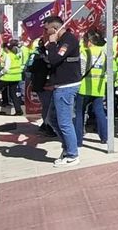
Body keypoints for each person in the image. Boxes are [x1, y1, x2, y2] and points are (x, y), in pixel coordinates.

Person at [41, 16, 83, 167]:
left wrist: (52, 44)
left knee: (64, 122)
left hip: (67, 86)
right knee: (52, 118)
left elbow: (54, 59)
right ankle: (67, 148)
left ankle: (72, 154)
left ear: (55, 29)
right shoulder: (60, 41)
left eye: (46, 29)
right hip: (59, 84)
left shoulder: (68, 40)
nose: (45, 32)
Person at [74, 30, 108, 145]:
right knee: (100, 112)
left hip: (84, 88)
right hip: (98, 87)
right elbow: (109, 71)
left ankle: (78, 140)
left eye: (84, 40)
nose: (83, 42)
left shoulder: (85, 53)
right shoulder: (104, 54)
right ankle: (104, 137)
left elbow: (81, 70)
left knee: (79, 113)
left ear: (89, 41)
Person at [0, 39, 24, 115]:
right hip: (16, 77)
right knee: (13, 94)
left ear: (7, 49)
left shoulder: (8, 55)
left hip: (8, 77)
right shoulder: (16, 55)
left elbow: (6, 68)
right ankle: (18, 110)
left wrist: (1, 73)